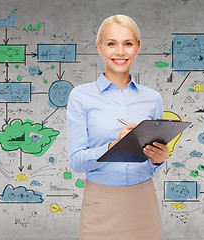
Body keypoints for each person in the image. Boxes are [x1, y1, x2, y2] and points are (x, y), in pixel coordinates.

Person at [67, 14, 169, 240]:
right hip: (101, 202)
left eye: (128, 44)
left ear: (137, 47)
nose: (120, 52)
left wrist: (158, 158)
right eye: (111, 43)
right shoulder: (81, 96)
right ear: (100, 48)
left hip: (143, 200)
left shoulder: (153, 99)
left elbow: (153, 164)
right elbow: (76, 162)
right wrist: (114, 146)